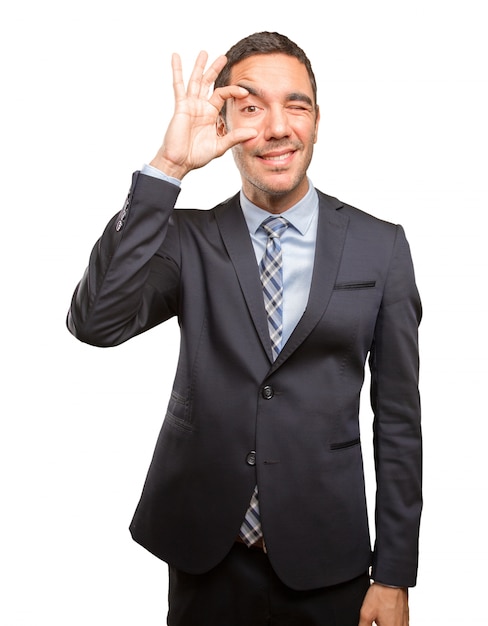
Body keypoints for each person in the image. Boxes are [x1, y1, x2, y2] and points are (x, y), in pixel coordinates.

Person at [67, 31, 422, 626]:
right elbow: (95, 320)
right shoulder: (187, 239)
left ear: (317, 121)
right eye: (251, 106)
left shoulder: (379, 247)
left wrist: (394, 573)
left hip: (327, 554)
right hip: (207, 550)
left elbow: (400, 420)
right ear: (223, 121)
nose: (277, 127)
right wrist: (168, 168)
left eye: (296, 105)